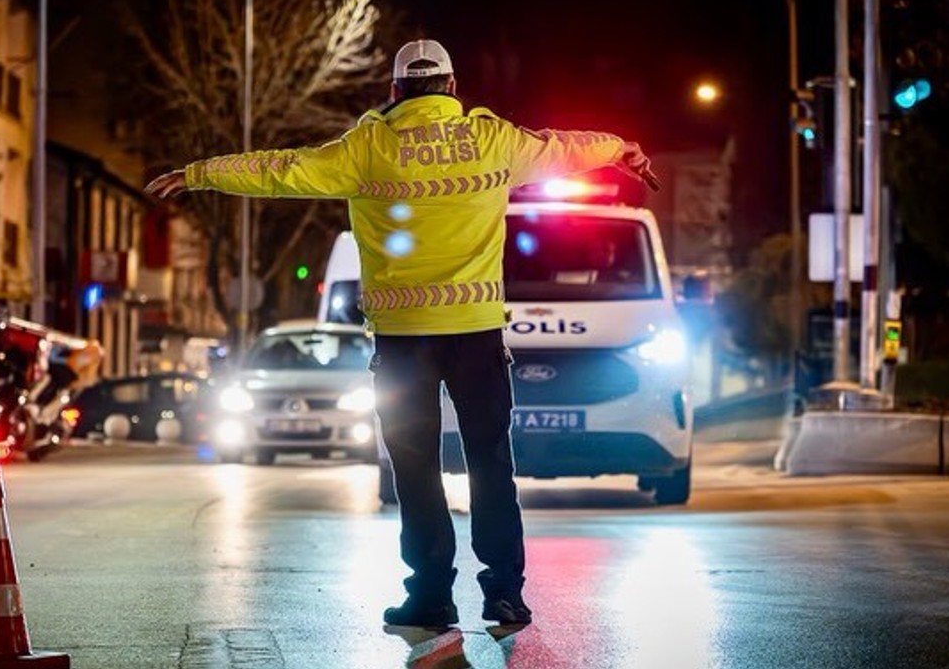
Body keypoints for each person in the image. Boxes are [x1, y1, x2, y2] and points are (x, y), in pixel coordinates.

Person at [144, 39, 653, 628]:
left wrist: (202, 174)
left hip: (404, 341)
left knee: (414, 468)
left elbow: (282, 169)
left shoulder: (367, 149)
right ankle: (505, 594)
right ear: (453, 87)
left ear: (394, 92)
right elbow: (566, 147)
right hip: (476, 334)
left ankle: (432, 597)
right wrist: (620, 150)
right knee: (491, 461)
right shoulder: (494, 141)